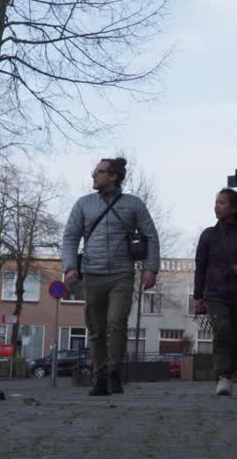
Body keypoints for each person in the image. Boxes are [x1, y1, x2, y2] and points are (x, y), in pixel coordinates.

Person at [62, 157, 160, 397]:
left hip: (122, 274)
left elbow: (151, 236)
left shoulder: (133, 204)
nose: (93, 175)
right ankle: (101, 377)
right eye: (94, 171)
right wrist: (70, 266)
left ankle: (115, 371)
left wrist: (151, 268)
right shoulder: (83, 204)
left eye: (98, 171)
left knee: (116, 323)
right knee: (96, 328)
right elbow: (70, 237)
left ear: (113, 176)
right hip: (92, 274)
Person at [193, 188, 237, 396]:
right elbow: (201, 266)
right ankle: (222, 376)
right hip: (215, 293)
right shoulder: (208, 235)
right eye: (216, 202)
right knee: (222, 331)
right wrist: (198, 296)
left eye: (222, 203)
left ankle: (229, 373)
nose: (217, 206)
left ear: (233, 208)